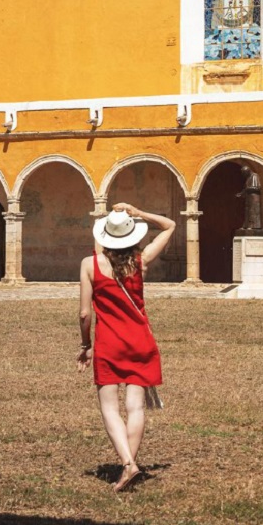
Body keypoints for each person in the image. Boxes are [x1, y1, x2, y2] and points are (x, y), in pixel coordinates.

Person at [78, 201, 176, 491]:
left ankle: (128, 464)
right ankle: (128, 468)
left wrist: (85, 345)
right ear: (132, 235)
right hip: (141, 342)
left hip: (109, 343)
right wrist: (140, 213)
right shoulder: (140, 261)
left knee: (110, 408)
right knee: (135, 407)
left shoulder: (90, 265)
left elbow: (85, 313)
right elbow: (170, 225)